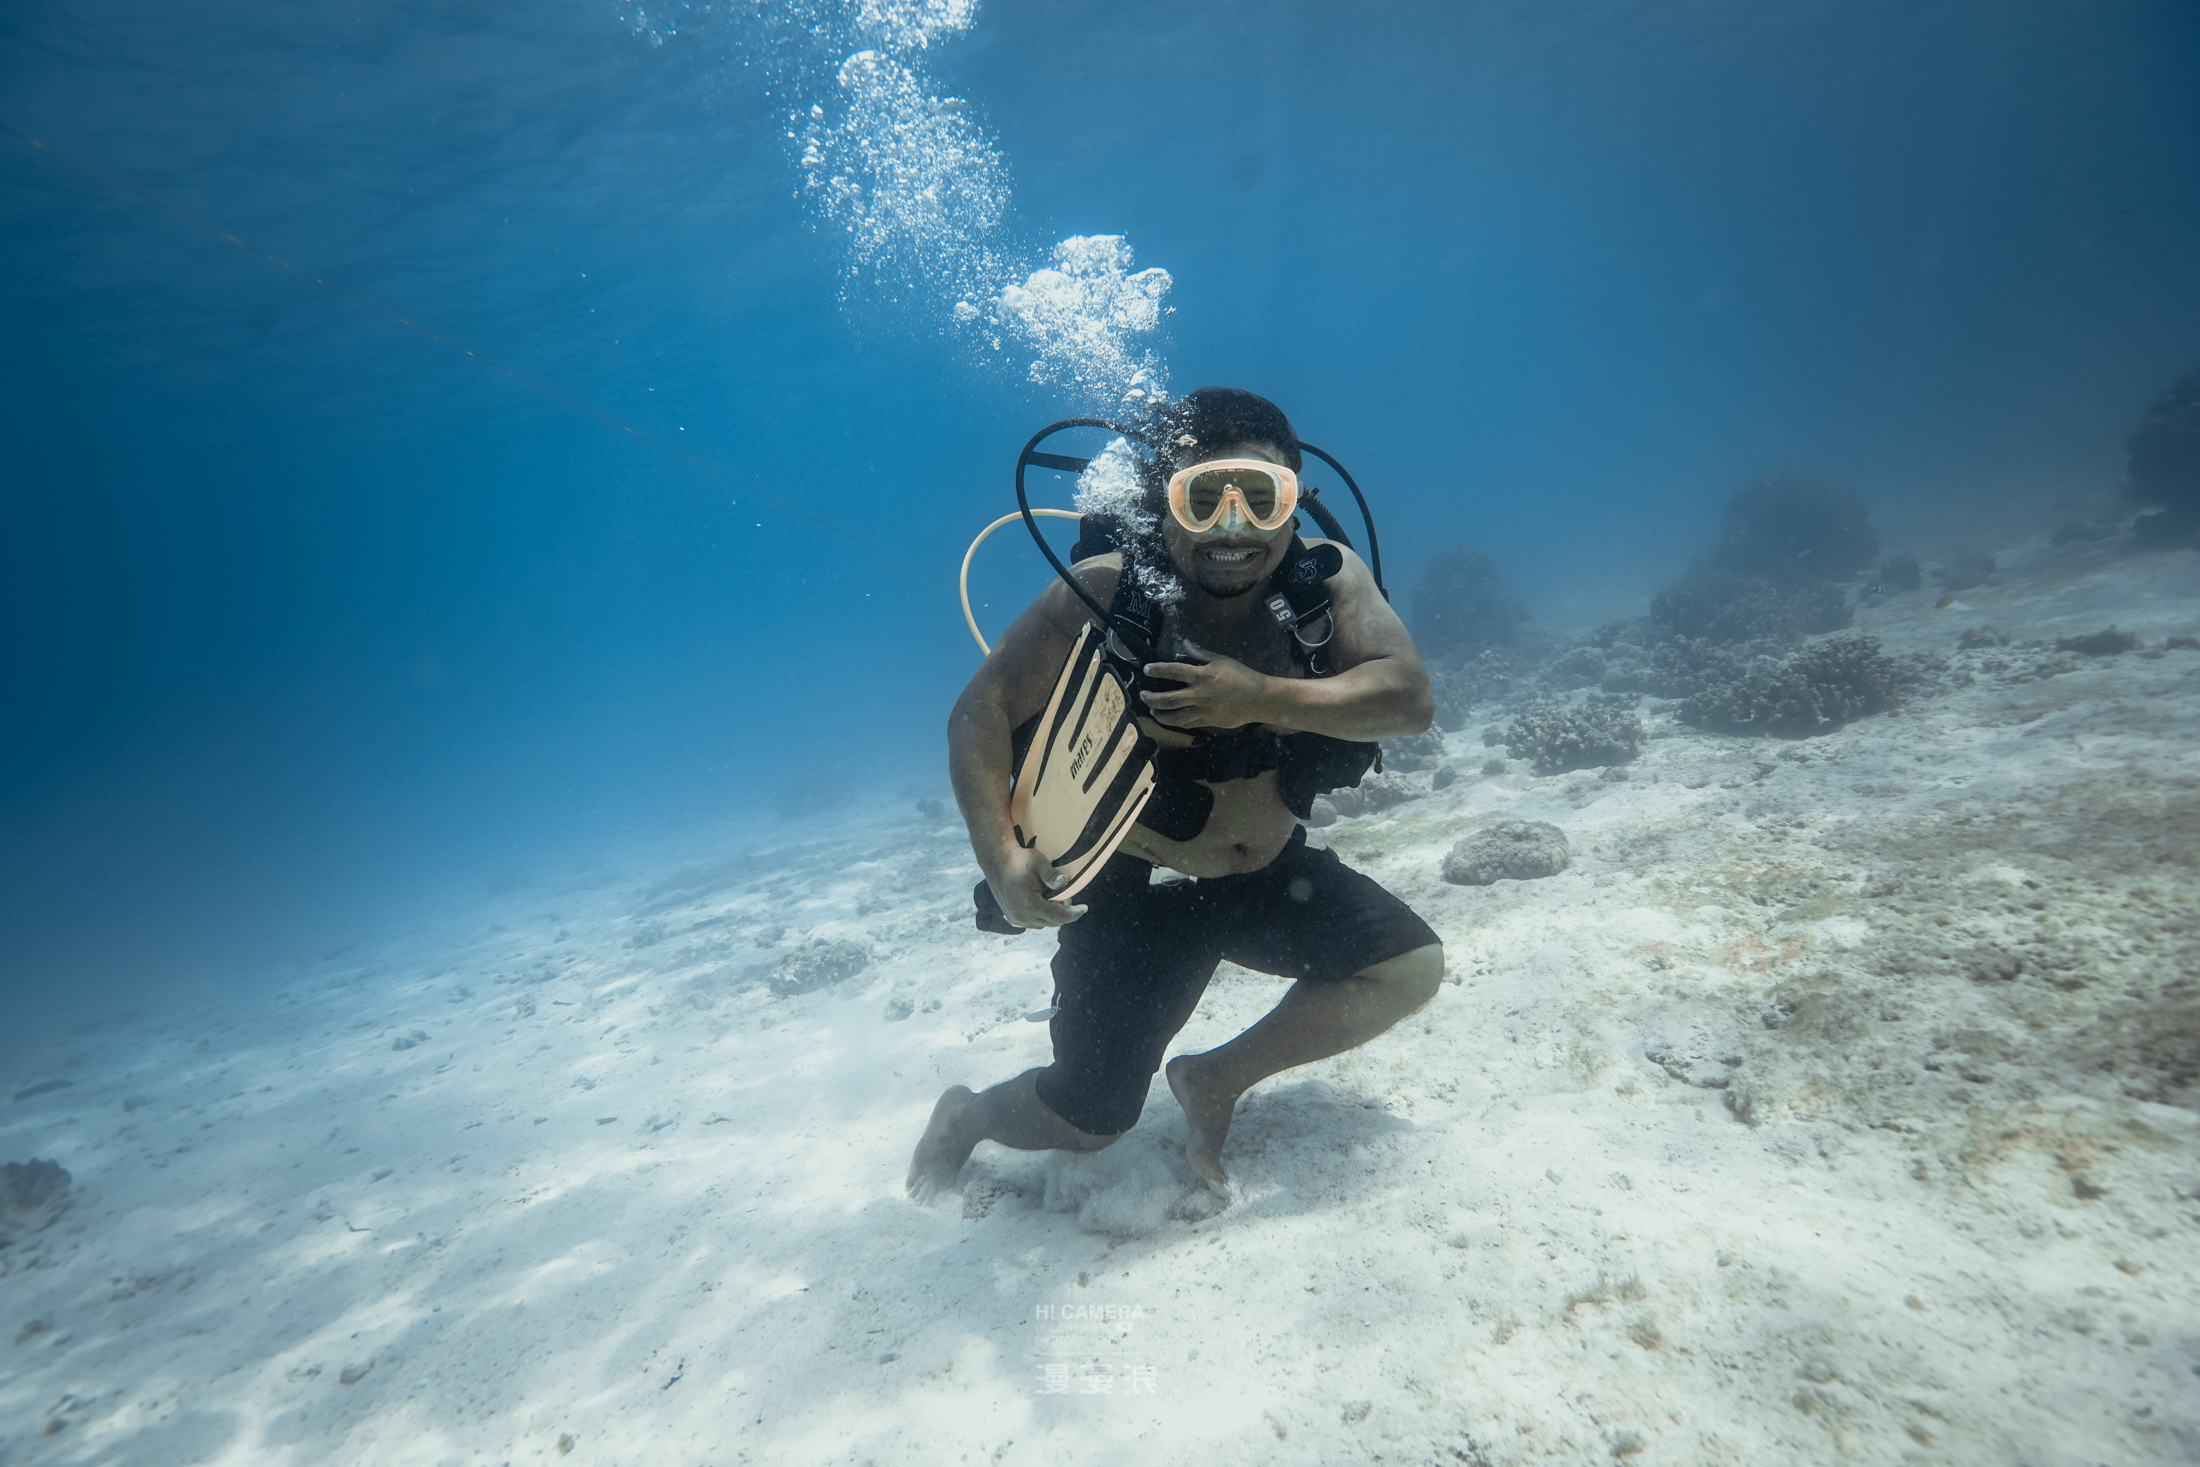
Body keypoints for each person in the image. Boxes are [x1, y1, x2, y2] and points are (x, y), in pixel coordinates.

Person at [906, 387, 1444, 1200]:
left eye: (1261, 499)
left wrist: (1260, 697)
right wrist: (1001, 857)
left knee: (1407, 968)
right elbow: (978, 713)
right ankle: (968, 1116)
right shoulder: (1101, 592)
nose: (1233, 527)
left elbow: (1409, 697)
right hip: (1136, 900)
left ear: (1294, 502)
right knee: (1086, 1124)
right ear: (1167, 507)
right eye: (1204, 498)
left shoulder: (1323, 587)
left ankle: (1216, 1078)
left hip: (1266, 877)